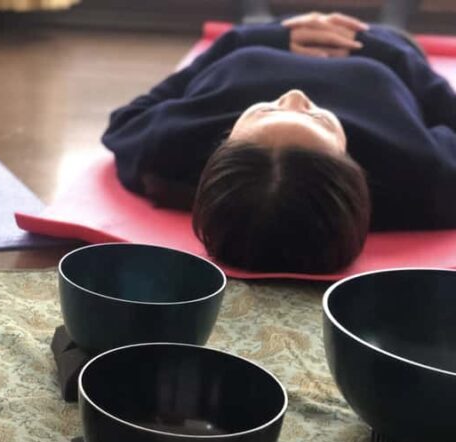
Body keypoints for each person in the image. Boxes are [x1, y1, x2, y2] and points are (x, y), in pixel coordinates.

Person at [102, 12, 456, 274]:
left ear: (221, 150)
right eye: (318, 119)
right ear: (352, 167)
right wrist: (383, 50)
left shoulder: (172, 149)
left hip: (263, 33)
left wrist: (253, 39)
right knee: (395, 26)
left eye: (263, 112)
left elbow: (127, 119)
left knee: (255, 15)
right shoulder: (423, 175)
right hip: (379, 42)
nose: (294, 96)